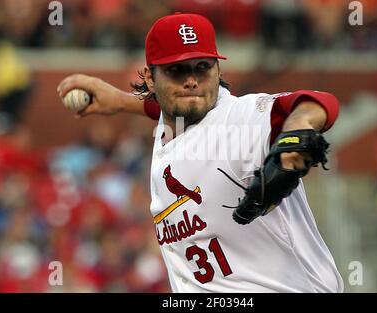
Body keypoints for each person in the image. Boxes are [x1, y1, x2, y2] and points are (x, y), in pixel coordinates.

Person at [58, 12, 344, 292]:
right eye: (176, 70)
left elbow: (317, 103)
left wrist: (295, 134)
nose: (191, 80)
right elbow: (171, 110)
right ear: (149, 77)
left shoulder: (241, 119)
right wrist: (121, 101)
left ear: (218, 71)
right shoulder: (178, 119)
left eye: (202, 67)